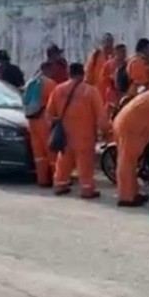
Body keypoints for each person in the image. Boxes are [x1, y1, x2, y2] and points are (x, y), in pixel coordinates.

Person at [46, 62, 109, 199]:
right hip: (85, 135)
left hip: (65, 134)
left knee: (63, 160)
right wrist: (105, 130)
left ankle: (60, 184)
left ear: (69, 73)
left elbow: (49, 113)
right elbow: (101, 115)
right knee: (85, 163)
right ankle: (87, 189)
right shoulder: (90, 91)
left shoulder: (58, 90)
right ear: (83, 74)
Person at [24, 61, 58, 187]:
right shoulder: (50, 84)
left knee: (38, 154)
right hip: (44, 120)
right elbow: (55, 102)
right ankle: (57, 179)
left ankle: (42, 180)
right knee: (51, 153)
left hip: (31, 121)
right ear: (48, 69)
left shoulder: (30, 83)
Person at [101, 43, 127, 119]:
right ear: (116, 52)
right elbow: (103, 80)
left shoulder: (127, 64)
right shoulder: (108, 65)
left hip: (123, 94)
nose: (124, 54)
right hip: (112, 93)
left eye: (125, 52)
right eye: (122, 51)